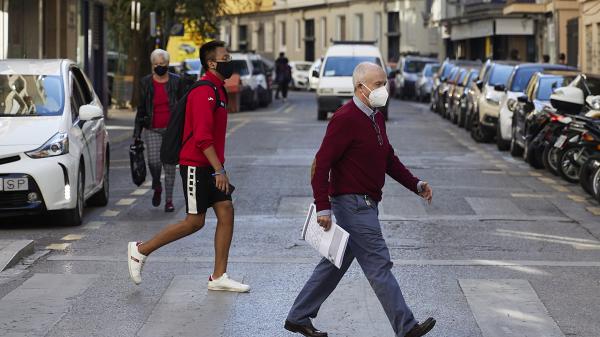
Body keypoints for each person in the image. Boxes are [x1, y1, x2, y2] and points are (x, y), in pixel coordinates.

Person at [284, 62, 436, 337]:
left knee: (335, 263)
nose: (383, 89)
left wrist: (416, 184)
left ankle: (298, 316)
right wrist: (323, 207)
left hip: (367, 202)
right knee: (379, 265)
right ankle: (407, 327)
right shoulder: (345, 118)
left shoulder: (375, 116)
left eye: (384, 83)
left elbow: (388, 158)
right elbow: (321, 164)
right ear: (360, 88)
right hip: (354, 205)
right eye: (377, 84)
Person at [127, 40, 250, 293]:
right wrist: (219, 170)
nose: (230, 61)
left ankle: (218, 276)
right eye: (225, 58)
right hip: (196, 165)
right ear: (212, 63)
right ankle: (140, 250)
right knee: (194, 222)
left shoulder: (218, 89)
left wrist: (218, 167)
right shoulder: (203, 91)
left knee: (226, 210)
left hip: (211, 164)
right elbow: (203, 137)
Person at [134, 49, 182, 212]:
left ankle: (169, 201)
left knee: (169, 166)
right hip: (152, 128)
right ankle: (157, 185)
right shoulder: (146, 82)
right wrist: (136, 133)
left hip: (172, 130)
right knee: (154, 162)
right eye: (156, 64)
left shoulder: (176, 81)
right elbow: (141, 108)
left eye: (162, 64)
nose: (159, 66)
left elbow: (183, 106)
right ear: (152, 65)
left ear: (168, 64)